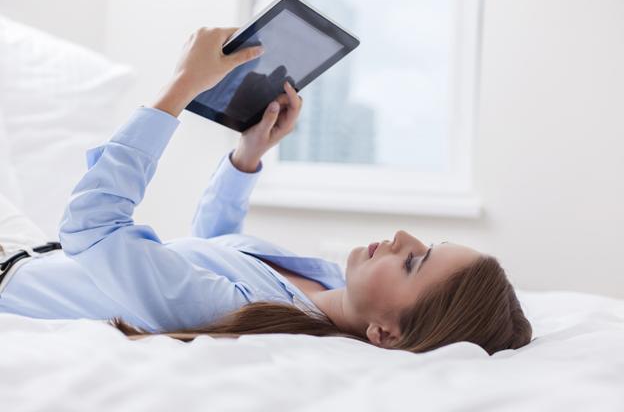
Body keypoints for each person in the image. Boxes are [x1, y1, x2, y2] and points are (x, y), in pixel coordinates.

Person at [0, 27, 532, 355]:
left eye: (413, 264)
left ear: (386, 334)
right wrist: (248, 155)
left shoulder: (264, 315)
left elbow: (92, 226)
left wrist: (182, 87)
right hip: (23, 239)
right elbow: (213, 251)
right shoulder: (319, 285)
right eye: (425, 245)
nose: (400, 236)